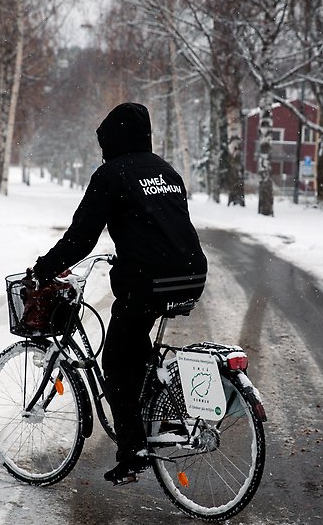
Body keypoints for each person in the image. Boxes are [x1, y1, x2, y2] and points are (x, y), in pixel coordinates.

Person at [31, 102, 207, 485]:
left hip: (149, 280)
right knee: (135, 344)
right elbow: (162, 227)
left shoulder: (111, 174)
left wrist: (46, 267)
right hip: (190, 273)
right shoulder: (166, 171)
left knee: (114, 360)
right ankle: (160, 412)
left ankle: (132, 451)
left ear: (111, 139)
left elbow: (81, 237)